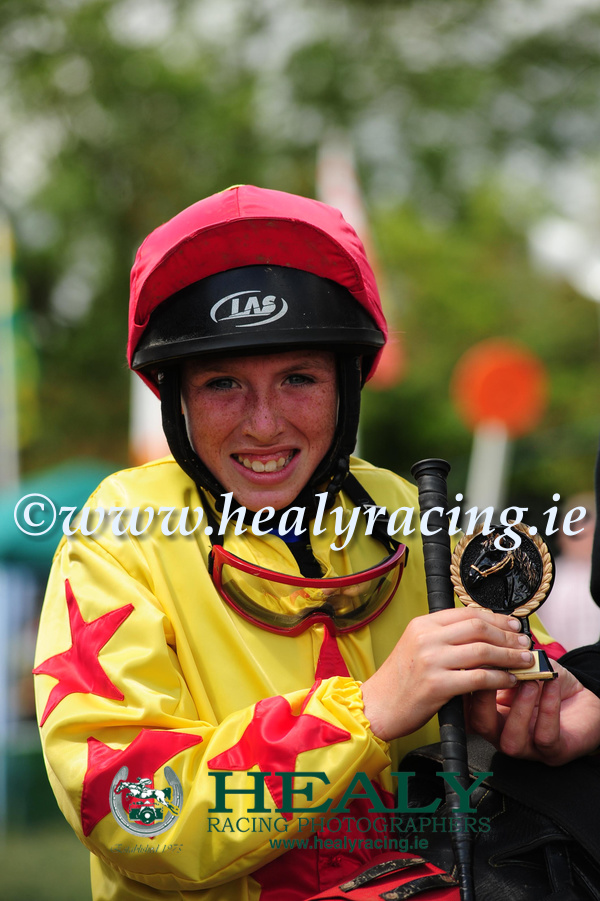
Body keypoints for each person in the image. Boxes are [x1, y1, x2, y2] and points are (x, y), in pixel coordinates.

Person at [34, 185, 600, 901]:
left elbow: (532, 678)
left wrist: (547, 710)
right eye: (223, 383)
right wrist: (364, 712)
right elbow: (129, 806)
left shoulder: (407, 508)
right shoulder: (120, 531)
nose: (264, 424)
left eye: (298, 378)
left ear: (346, 384)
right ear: (175, 395)